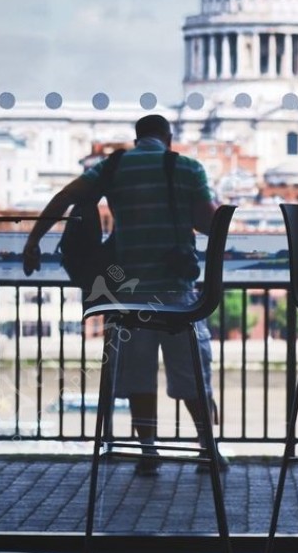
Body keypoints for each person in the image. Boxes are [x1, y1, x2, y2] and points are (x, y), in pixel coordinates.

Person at [23, 114, 222, 476]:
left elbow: (65, 197)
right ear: (168, 137)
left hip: (127, 293)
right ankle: (207, 449)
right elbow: (208, 223)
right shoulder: (188, 168)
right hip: (177, 293)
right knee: (192, 375)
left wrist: (34, 240)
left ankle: (148, 451)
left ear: (137, 137)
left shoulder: (113, 166)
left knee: (137, 376)